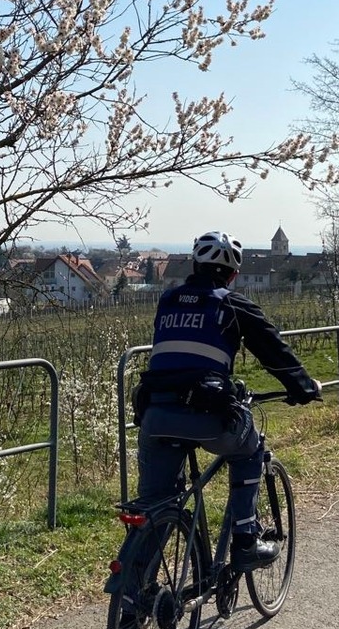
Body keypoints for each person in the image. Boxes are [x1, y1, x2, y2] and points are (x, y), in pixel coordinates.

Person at [133, 230, 322, 572]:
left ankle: (133, 602)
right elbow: (273, 351)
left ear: (193, 264)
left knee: (153, 507)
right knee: (249, 449)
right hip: (205, 413)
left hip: (156, 413)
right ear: (234, 274)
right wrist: (304, 387)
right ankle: (246, 541)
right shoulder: (232, 304)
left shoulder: (168, 300)